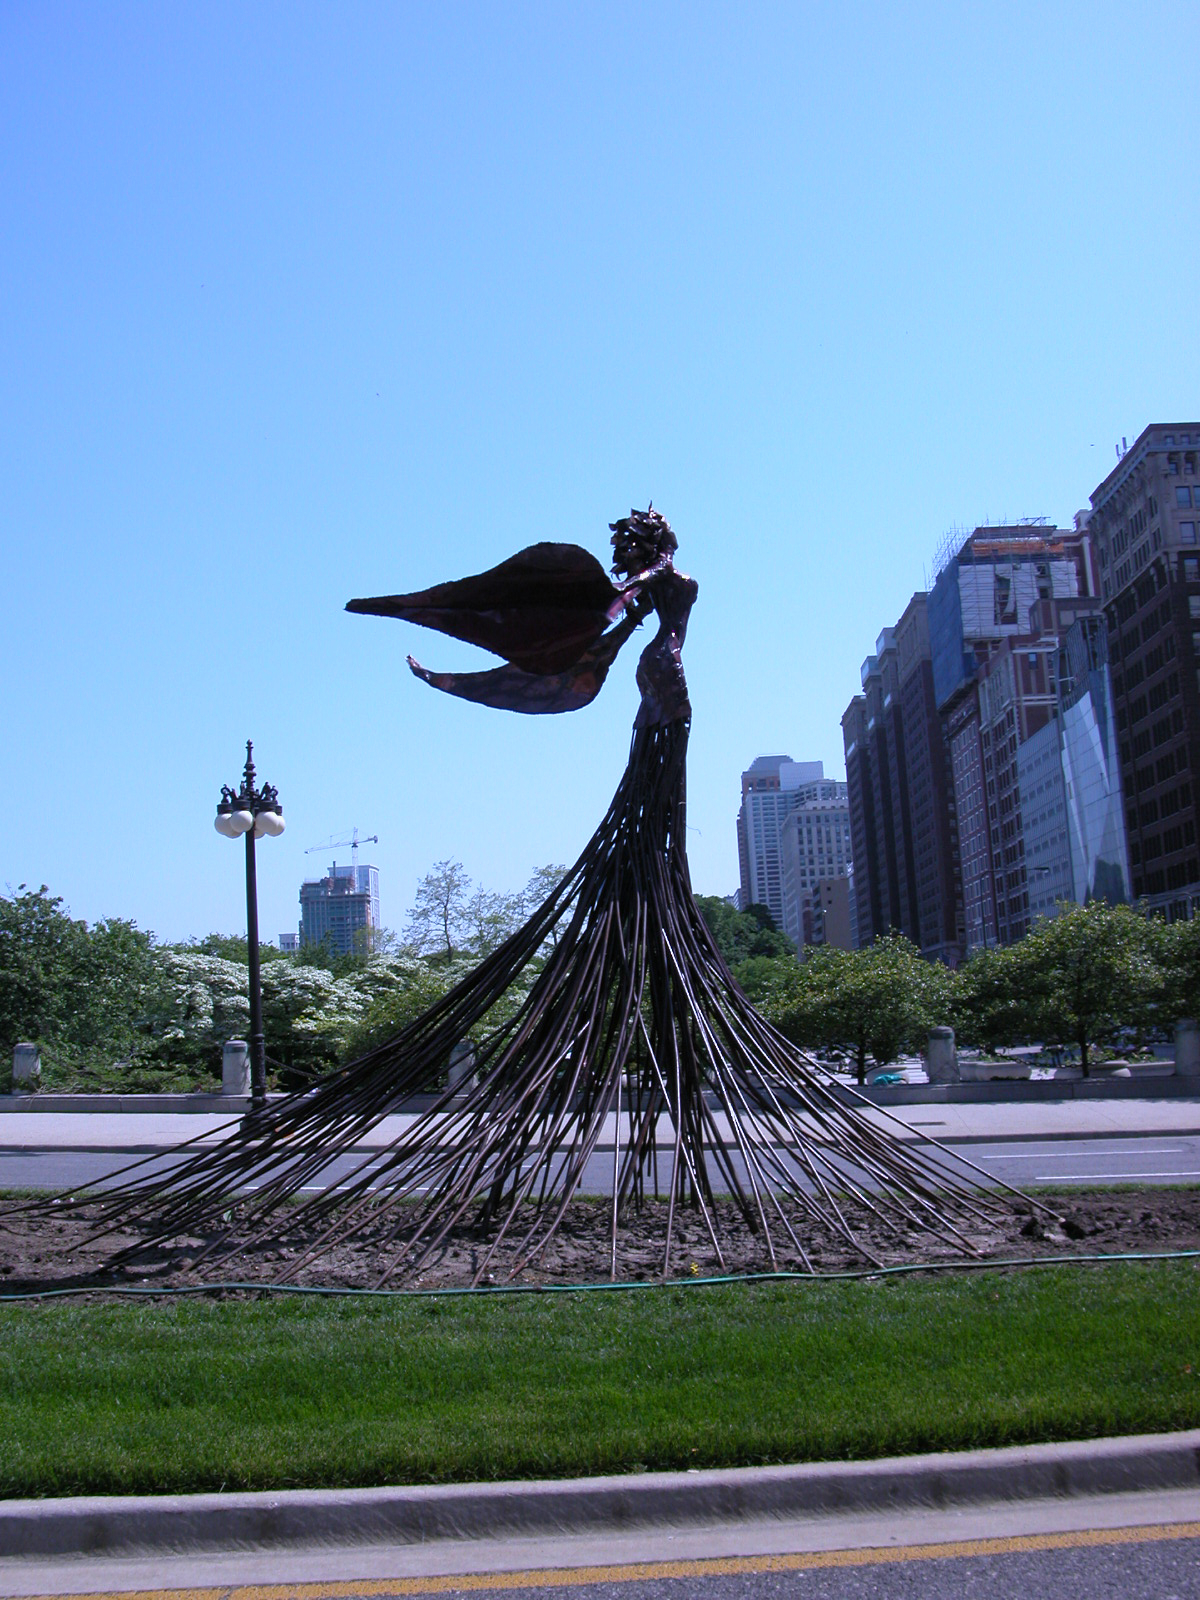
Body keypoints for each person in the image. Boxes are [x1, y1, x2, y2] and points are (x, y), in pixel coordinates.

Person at [78, 510, 1012, 1285]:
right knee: (644, 833)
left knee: (650, 837)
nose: (626, 558)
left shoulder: (670, 582)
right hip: (651, 696)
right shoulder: (652, 594)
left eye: (632, 546)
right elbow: (591, 644)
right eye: (624, 550)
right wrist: (474, 667)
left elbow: (624, 605)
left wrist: (588, 604)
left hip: (667, 693)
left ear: (654, 545)